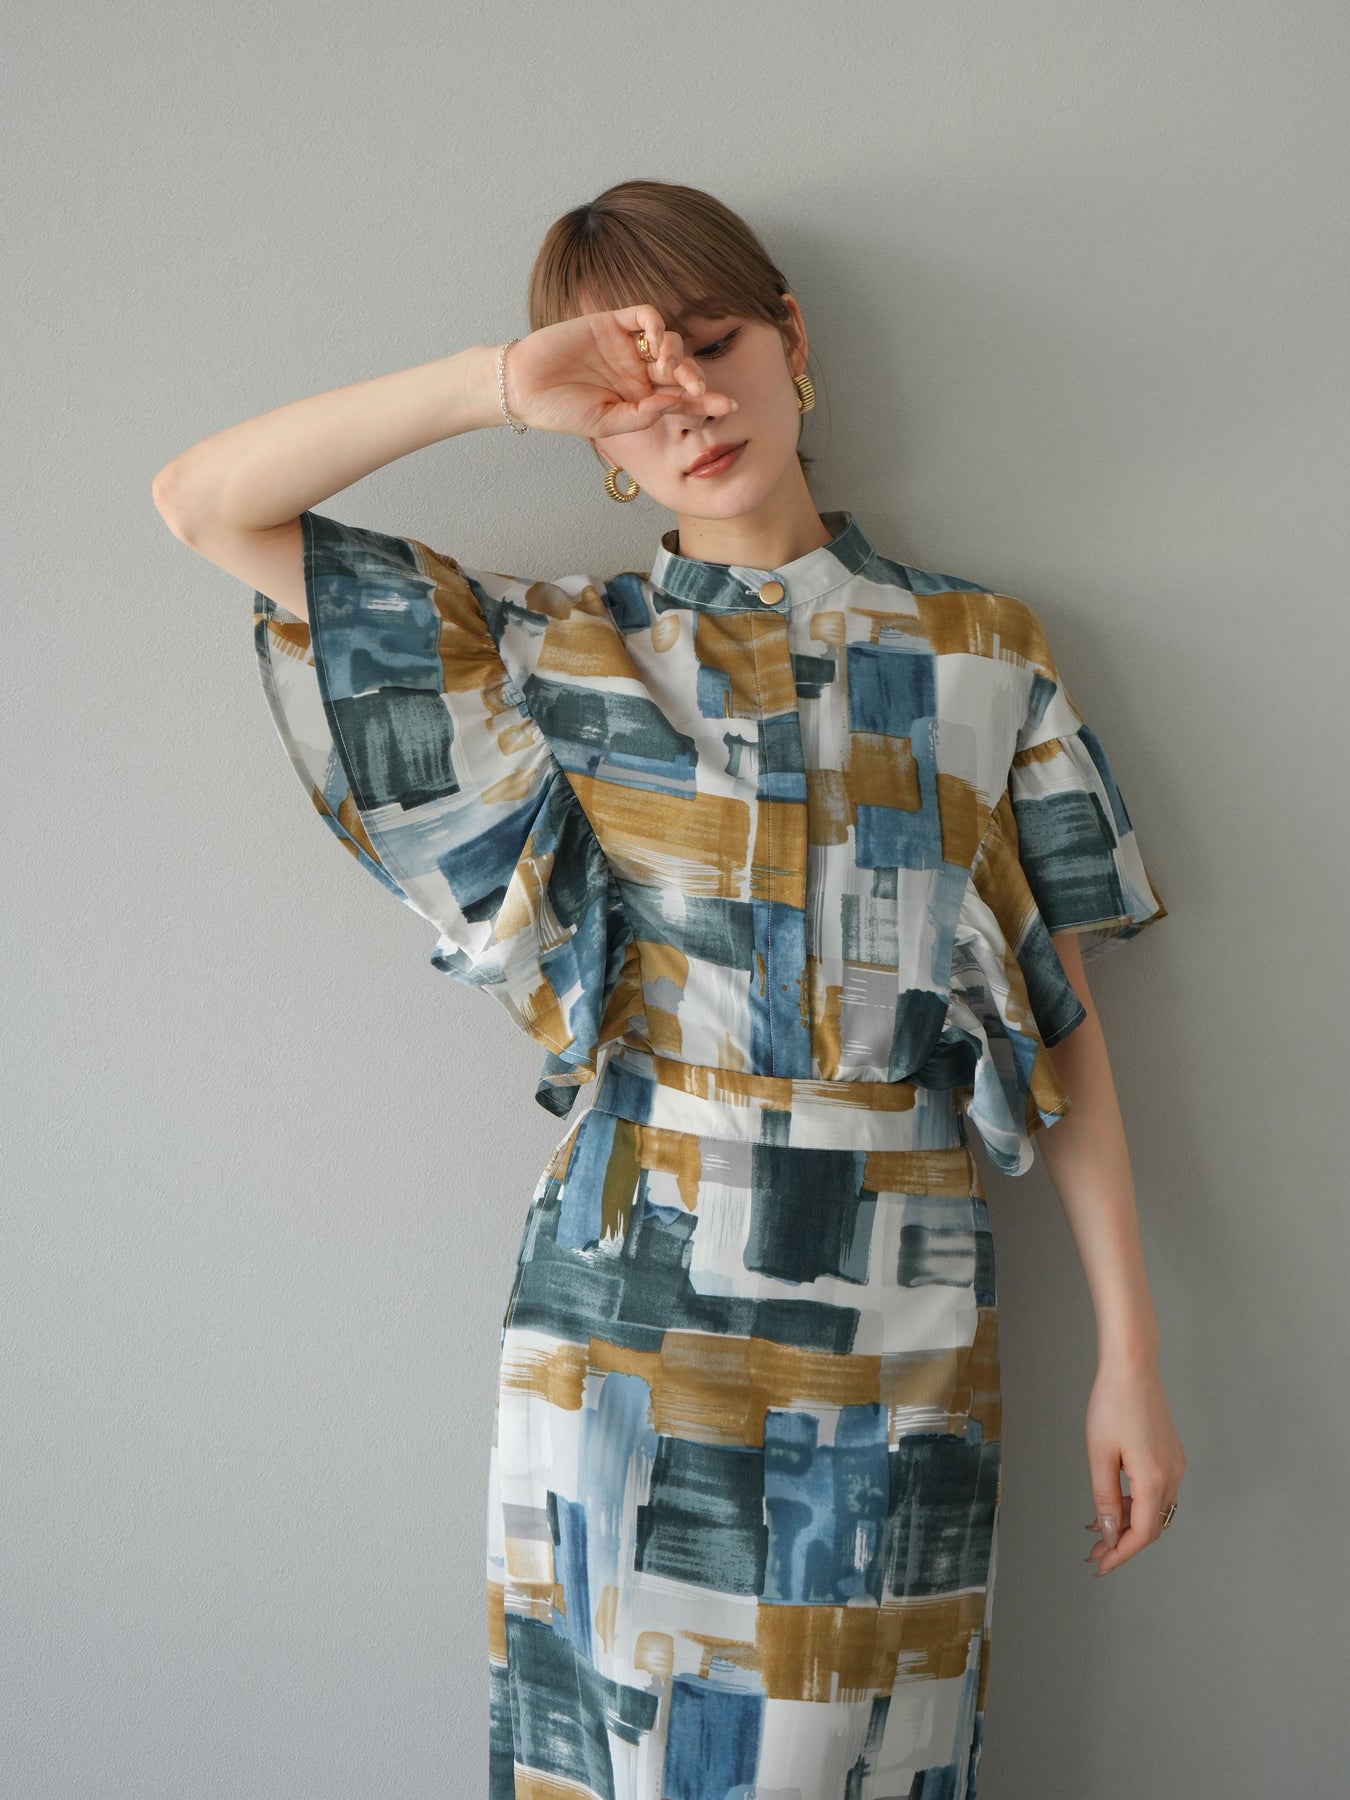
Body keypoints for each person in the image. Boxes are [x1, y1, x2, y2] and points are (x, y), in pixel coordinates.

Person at [154, 178, 1185, 1799]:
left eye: (712, 346)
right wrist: (498, 384)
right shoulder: (558, 654)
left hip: (903, 1309)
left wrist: (1128, 1356)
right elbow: (203, 502)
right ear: (591, 436)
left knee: (867, 1754)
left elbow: (1058, 1024)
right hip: (631, 1312)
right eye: (631, 391)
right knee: (629, 1761)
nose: (689, 405)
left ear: (791, 340)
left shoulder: (985, 653)